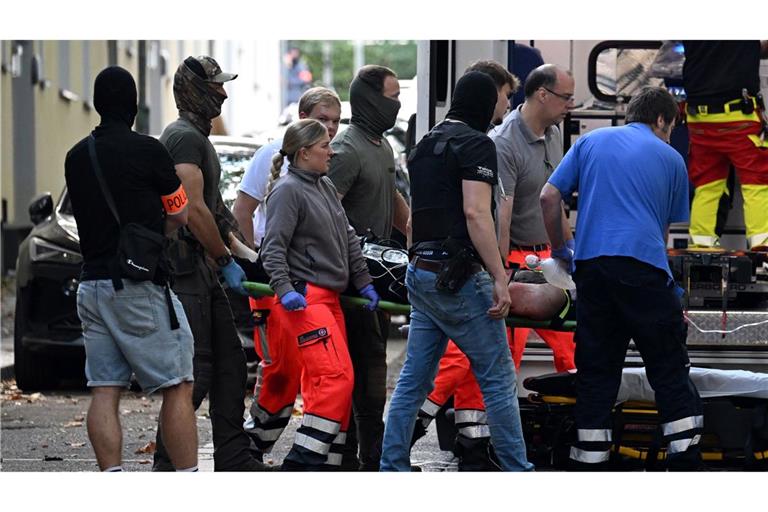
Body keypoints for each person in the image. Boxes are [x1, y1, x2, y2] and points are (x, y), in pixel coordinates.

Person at [540, 86, 704, 470]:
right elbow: (662, 231)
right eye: (670, 127)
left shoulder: (590, 141)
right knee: (666, 367)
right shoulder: (671, 157)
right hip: (644, 270)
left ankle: (590, 464)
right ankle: (684, 465)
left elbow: (549, 198)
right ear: (663, 120)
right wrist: (671, 293)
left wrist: (562, 251)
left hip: (593, 270)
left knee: (597, 371)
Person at [380, 71, 534, 472]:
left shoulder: (425, 145)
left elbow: (414, 222)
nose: (506, 106)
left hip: (422, 273)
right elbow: (476, 212)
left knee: (414, 380)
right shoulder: (477, 144)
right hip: (461, 278)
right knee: (498, 378)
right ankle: (519, 471)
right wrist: (500, 277)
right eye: (503, 97)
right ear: (484, 100)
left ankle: (391, 465)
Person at [65, 66, 197, 472]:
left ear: (97, 105)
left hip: (92, 286)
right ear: (134, 107)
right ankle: (190, 478)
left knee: (104, 389)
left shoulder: (76, 156)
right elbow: (180, 210)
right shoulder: (149, 150)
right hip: (138, 285)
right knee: (177, 384)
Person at [151, 55, 266, 471]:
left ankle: (233, 457)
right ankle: (167, 464)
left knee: (231, 364)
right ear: (196, 91)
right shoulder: (182, 137)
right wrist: (224, 256)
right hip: (184, 272)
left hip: (203, 269)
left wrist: (249, 257)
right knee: (195, 371)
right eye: (216, 85)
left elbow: (215, 210)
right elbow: (193, 209)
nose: (223, 92)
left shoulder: (198, 138)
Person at [260, 119, 380, 470]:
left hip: (328, 298)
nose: (332, 151)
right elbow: (272, 249)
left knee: (333, 382)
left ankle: (327, 467)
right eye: (326, 145)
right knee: (336, 380)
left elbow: (348, 237)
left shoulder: (323, 185)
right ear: (304, 153)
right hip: (306, 299)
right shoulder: (288, 191)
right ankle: (302, 464)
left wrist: (364, 281)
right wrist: (284, 290)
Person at [234, 87, 342, 459]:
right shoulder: (273, 156)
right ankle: (252, 447)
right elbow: (242, 212)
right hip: (279, 283)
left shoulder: (324, 163)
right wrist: (258, 268)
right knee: (282, 371)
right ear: (302, 118)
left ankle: (321, 455)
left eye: (335, 121)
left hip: (313, 284)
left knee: (321, 372)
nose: (329, 129)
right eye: (322, 120)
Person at [327, 64, 410, 470]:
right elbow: (326, 209)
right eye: (393, 97)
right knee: (365, 372)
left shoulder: (381, 147)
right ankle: (353, 459)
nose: (397, 104)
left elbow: (390, 193)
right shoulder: (346, 148)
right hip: (350, 284)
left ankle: (367, 457)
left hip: (377, 279)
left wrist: (411, 229)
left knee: (372, 372)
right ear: (373, 99)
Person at [493, 63, 576, 372]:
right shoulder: (504, 142)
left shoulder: (554, 135)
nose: (570, 105)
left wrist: (570, 252)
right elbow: (502, 212)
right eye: (566, 97)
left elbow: (555, 202)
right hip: (515, 261)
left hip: (549, 258)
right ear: (542, 94)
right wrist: (500, 275)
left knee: (570, 352)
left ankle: (573, 416)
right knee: (508, 357)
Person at [682, 41, 768, 250]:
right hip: (739, 116)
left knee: (707, 185)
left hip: (699, 119)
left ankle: (701, 251)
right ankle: (763, 251)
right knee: (756, 183)